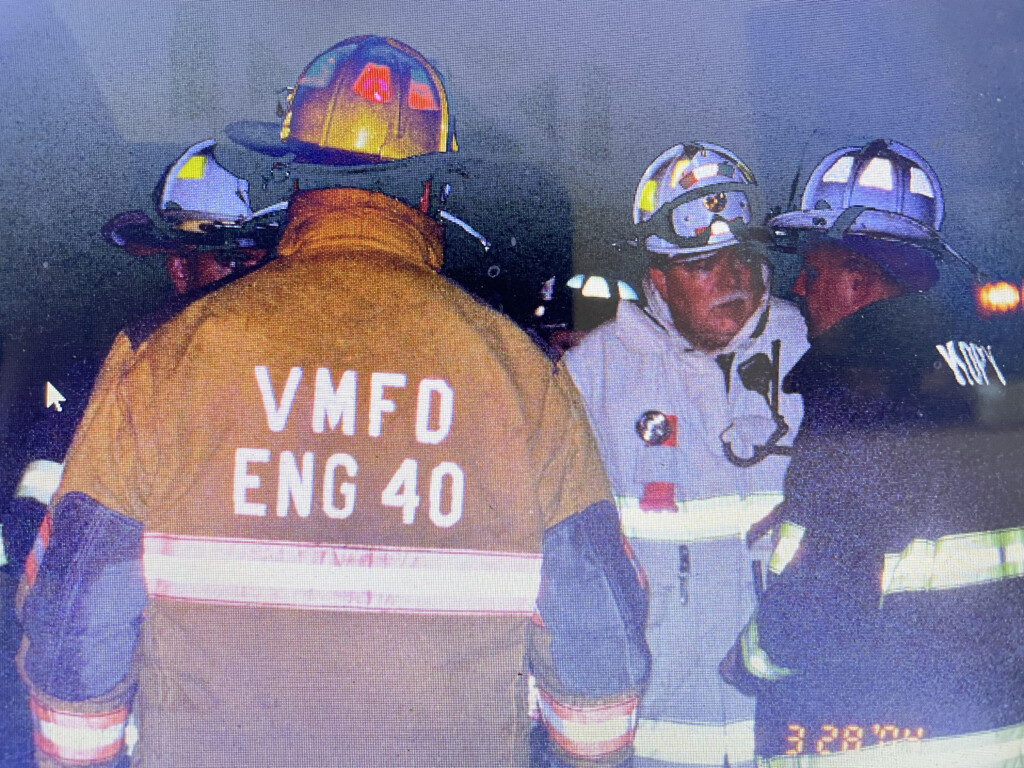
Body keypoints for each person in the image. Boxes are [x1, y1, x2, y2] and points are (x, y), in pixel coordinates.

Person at [15, 36, 649, 768]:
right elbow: (598, 639)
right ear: (427, 192)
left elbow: (75, 620)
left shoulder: (168, 356)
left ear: (293, 179)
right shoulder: (518, 372)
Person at [725, 139, 1024, 765]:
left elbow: (825, 597)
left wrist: (751, 660)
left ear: (859, 282)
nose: (800, 288)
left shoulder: (858, 376)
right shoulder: (983, 362)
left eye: (814, 269)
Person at [563, 143, 808, 768]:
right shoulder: (594, 377)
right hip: (655, 738)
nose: (734, 279)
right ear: (660, 274)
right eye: (704, 263)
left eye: (745, 256)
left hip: (786, 732)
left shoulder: (811, 356)